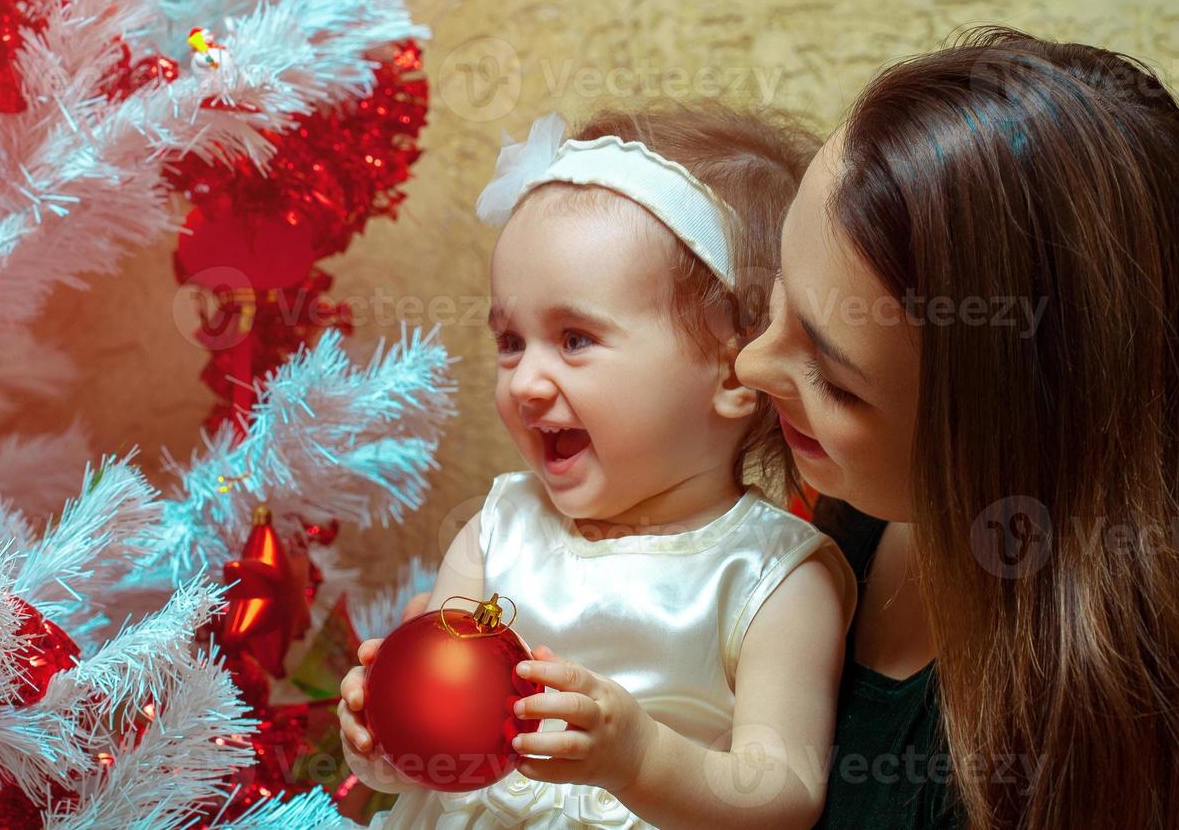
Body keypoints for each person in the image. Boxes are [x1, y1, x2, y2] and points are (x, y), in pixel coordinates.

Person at [734, 26, 1179, 829]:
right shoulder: (849, 516)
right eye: (778, 298)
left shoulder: (1090, 752)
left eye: (838, 385)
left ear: (1013, 441)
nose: (751, 366)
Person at [337, 103, 858, 828]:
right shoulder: (498, 532)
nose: (525, 381)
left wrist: (639, 759)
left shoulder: (773, 577)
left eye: (575, 339)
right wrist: (386, 737)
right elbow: (438, 747)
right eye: (511, 341)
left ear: (735, 372)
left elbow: (785, 794)